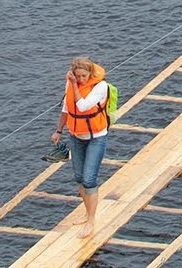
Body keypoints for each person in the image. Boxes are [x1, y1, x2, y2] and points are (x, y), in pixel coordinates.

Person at [49, 57, 111, 235]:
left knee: (89, 179)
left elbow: (82, 106)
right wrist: (59, 131)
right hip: (76, 136)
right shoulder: (70, 84)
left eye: (84, 76)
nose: (82, 79)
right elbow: (67, 109)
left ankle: (91, 221)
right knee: (78, 177)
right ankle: (87, 212)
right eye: (78, 76)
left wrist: (75, 85)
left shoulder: (100, 87)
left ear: (90, 73)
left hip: (96, 137)